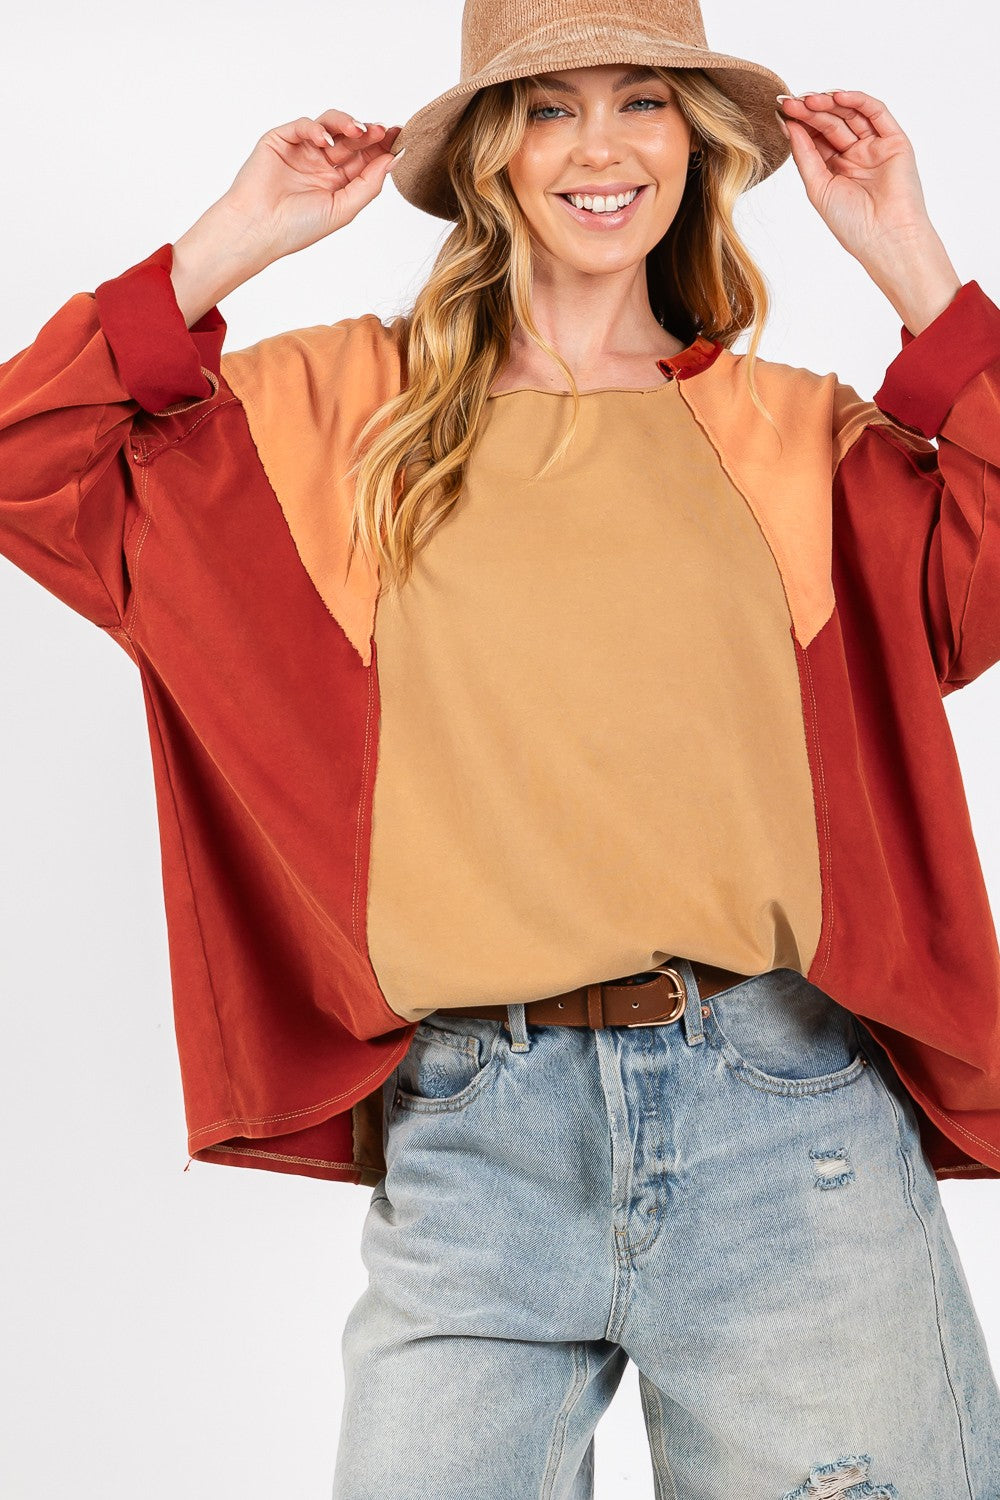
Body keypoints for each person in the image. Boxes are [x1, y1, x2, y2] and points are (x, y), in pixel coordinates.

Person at [4, 0, 1000, 1493]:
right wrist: (228, 242)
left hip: (781, 1125)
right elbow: (35, 460)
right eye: (546, 107)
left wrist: (917, 267)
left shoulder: (793, 435)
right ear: (483, 154)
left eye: (643, 101)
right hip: (474, 1141)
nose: (600, 146)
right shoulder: (345, 414)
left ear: (695, 144)